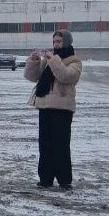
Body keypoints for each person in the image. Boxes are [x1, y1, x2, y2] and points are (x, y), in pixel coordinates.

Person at [23, 30, 82, 190]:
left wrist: (53, 59)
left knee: (61, 145)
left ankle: (64, 180)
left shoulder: (74, 61)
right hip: (45, 105)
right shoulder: (49, 61)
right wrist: (34, 61)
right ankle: (45, 179)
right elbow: (32, 77)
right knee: (45, 145)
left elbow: (67, 76)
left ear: (67, 42)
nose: (56, 44)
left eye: (59, 41)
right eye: (54, 41)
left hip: (62, 108)